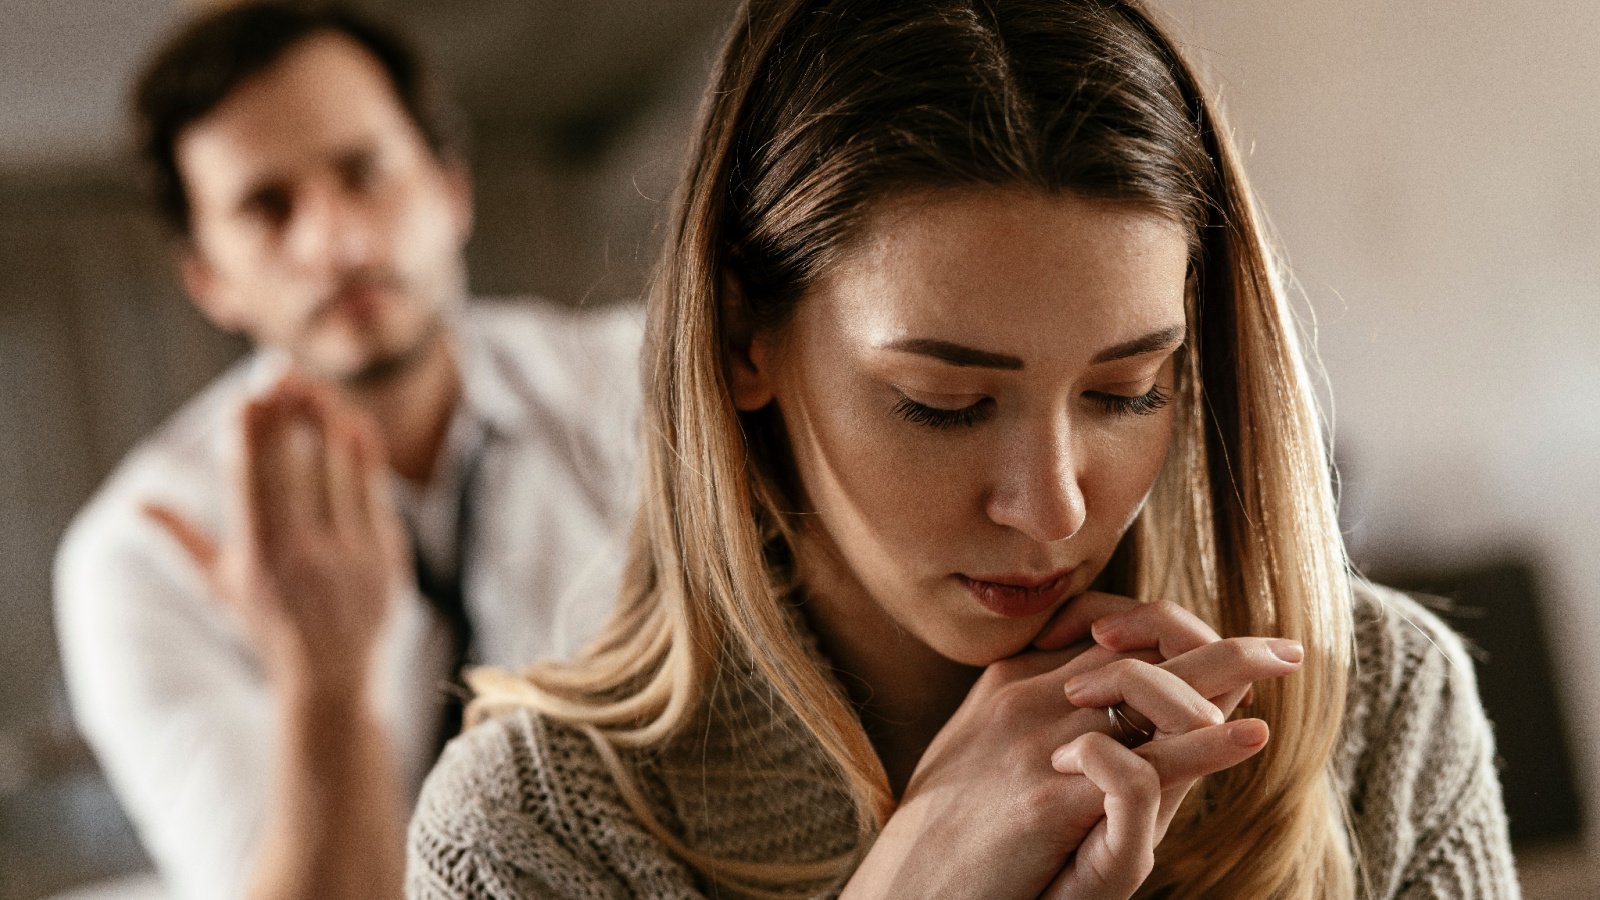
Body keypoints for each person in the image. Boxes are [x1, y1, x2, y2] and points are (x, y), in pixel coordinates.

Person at [406, 0, 1519, 897]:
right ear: (746, 341)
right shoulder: (532, 836)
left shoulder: (1380, 711)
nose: (1053, 510)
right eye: (942, 403)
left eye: (1127, 391)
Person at [53, 3, 641, 899]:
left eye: (366, 171)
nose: (336, 242)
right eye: (267, 206)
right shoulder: (137, 560)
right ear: (209, 279)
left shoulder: (648, 389)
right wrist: (322, 683)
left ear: (452, 189)